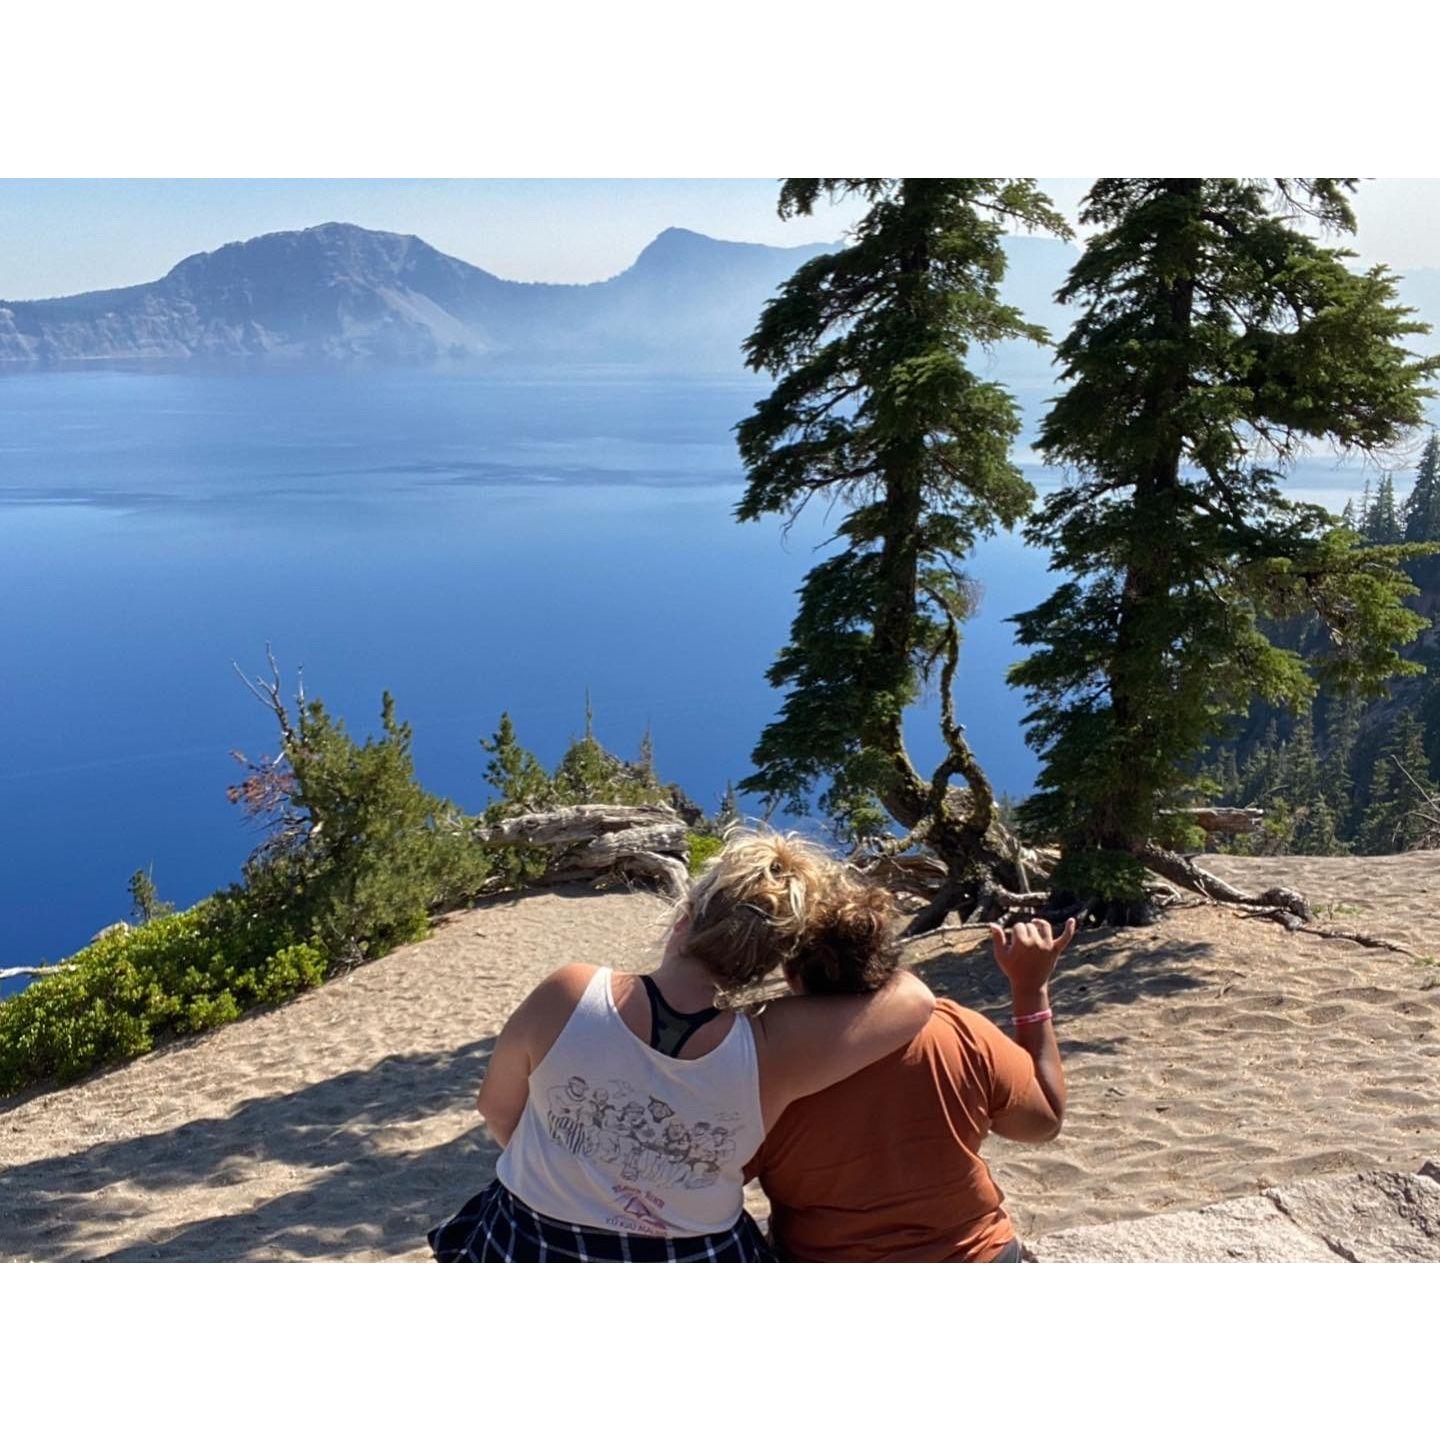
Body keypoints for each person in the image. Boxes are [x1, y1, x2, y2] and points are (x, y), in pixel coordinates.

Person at [428, 830, 935, 1262]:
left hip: (531, 1235)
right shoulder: (773, 1046)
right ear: (771, 962)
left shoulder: (570, 991)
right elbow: (913, 998)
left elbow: (496, 1110)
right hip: (690, 1252)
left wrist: (580, 1174)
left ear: (685, 916)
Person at [743, 875, 1072, 1262]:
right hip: (979, 1256)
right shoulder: (957, 1029)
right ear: (884, 958)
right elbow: (1042, 1122)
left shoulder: (762, 1065)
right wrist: (1030, 989)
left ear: (791, 974)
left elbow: (710, 1186)